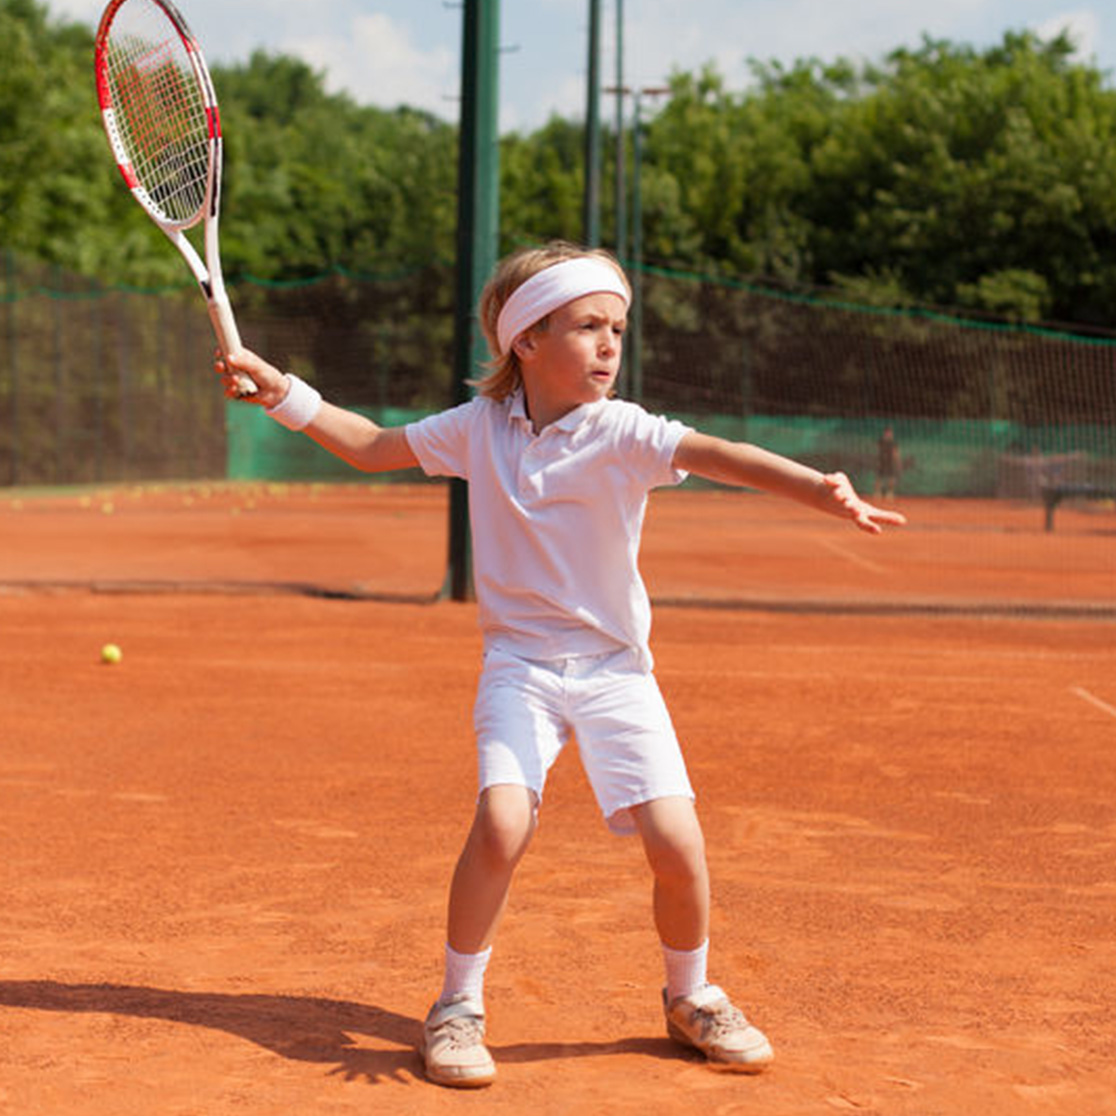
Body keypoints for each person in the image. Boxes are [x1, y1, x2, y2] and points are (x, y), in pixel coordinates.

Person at [216, 241, 906, 1089]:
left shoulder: (624, 432)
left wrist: (819, 487)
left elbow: (717, 454)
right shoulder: (477, 429)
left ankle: (691, 997)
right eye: (588, 326)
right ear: (526, 342)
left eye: (618, 327)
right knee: (503, 823)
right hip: (521, 667)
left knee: (676, 841)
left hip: (618, 672)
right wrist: (281, 392)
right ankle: (456, 1007)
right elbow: (368, 443)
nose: (611, 344)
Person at [875, 426, 900, 500]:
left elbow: (895, 453)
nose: (889, 434)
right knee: (879, 478)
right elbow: (877, 451)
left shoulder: (893, 443)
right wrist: (877, 461)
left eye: (890, 433)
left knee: (891, 478)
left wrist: (897, 462)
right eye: (888, 433)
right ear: (885, 433)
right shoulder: (880, 442)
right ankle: (877, 492)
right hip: (881, 462)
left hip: (890, 463)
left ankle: (890, 493)